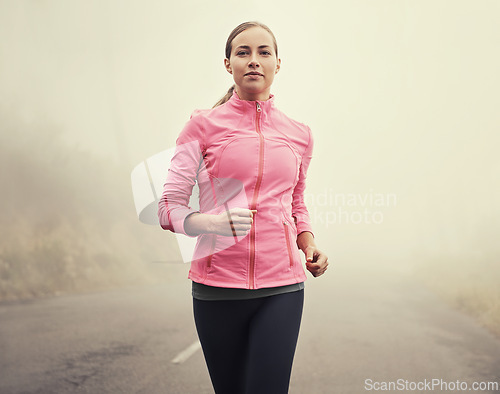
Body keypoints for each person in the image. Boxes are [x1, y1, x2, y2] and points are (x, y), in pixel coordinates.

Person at [158, 21, 329, 394]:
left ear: (277, 64)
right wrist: (210, 223)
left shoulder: (300, 134)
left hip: (282, 287)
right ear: (228, 64)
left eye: (263, 52)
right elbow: (168, 207)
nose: (254, 61)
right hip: (216, 287)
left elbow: (296, 202)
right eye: (243, 52)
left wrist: (308, 243)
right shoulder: (201, 127)